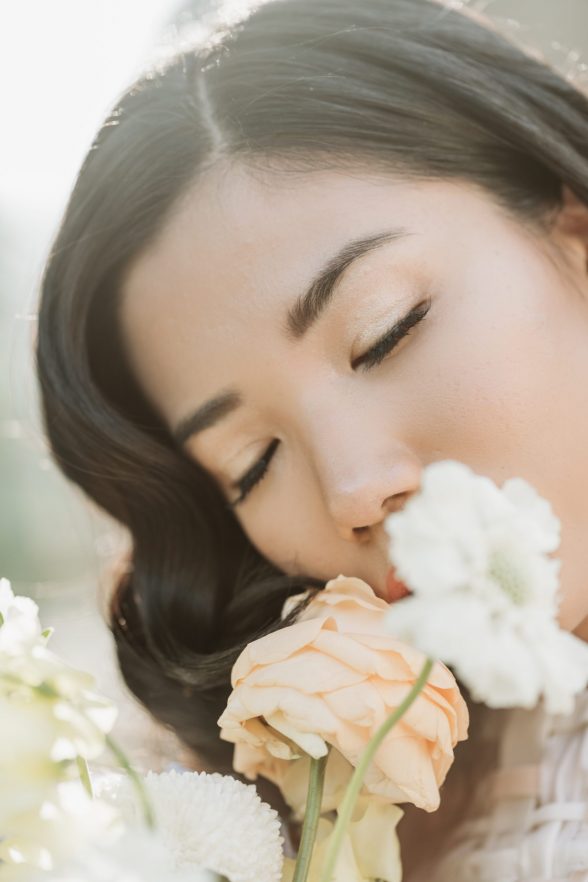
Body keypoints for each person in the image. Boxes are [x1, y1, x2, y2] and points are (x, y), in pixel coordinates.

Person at [36, 0, 588, 877]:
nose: (352, 490)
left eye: (386, 332)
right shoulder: (303, 815)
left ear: (571, 222)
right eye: (251, 465)